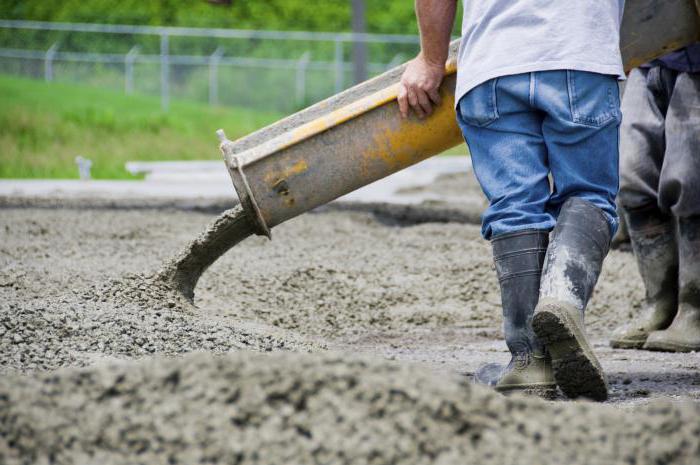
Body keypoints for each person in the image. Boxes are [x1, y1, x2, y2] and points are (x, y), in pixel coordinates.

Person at [398, 0, 625, 401]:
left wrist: (430, 61)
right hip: (579, 54)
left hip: (493, 64)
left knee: (515, 207)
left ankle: (529, 361)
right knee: (588, 194)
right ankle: (561, 298)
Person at [610, 44, 700, 352]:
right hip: (648, 56)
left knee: (690, 179)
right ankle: (659, 302)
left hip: (696, 62)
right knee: (632, 176)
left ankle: (694, 308)